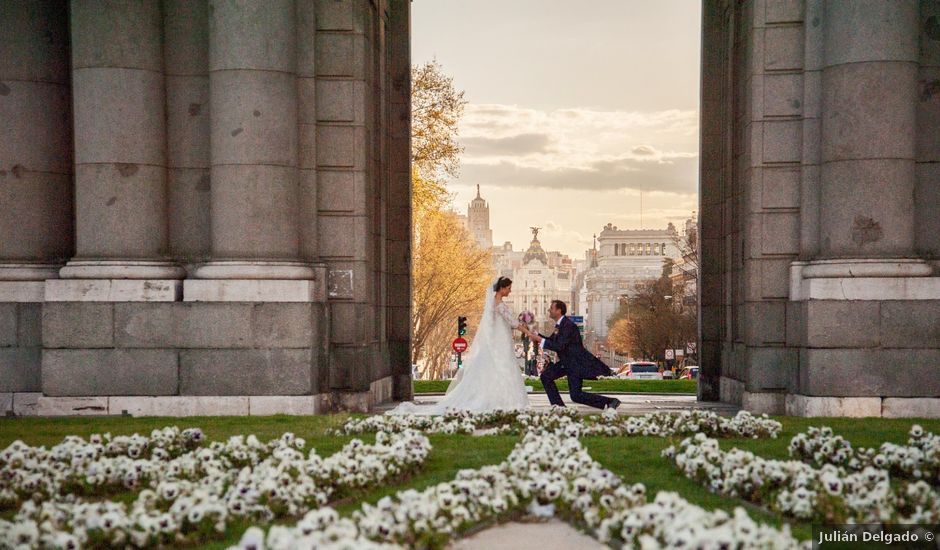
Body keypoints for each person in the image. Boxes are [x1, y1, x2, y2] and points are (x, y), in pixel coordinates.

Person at [388, 276, 530, 414]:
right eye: (509, 288)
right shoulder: (499, 305)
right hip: (501, 341)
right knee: (503, 367)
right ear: (502, 289)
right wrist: (529, 332)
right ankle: (505, 400)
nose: (510, 291)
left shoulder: (493, 303)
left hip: (500, 338)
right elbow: (513, 323)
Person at [520, 300, 621, 410]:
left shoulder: (568, 325)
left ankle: (610, 402)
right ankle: (559, 407)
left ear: (558, 311)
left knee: (576, 395)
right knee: (546, 377)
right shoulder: (560, 325)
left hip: (575, 363)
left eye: (551, 308)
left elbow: (559, 346)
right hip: (567, 363)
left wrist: (538, 339)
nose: (549, 310)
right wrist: (535, 334)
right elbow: (552, 340)